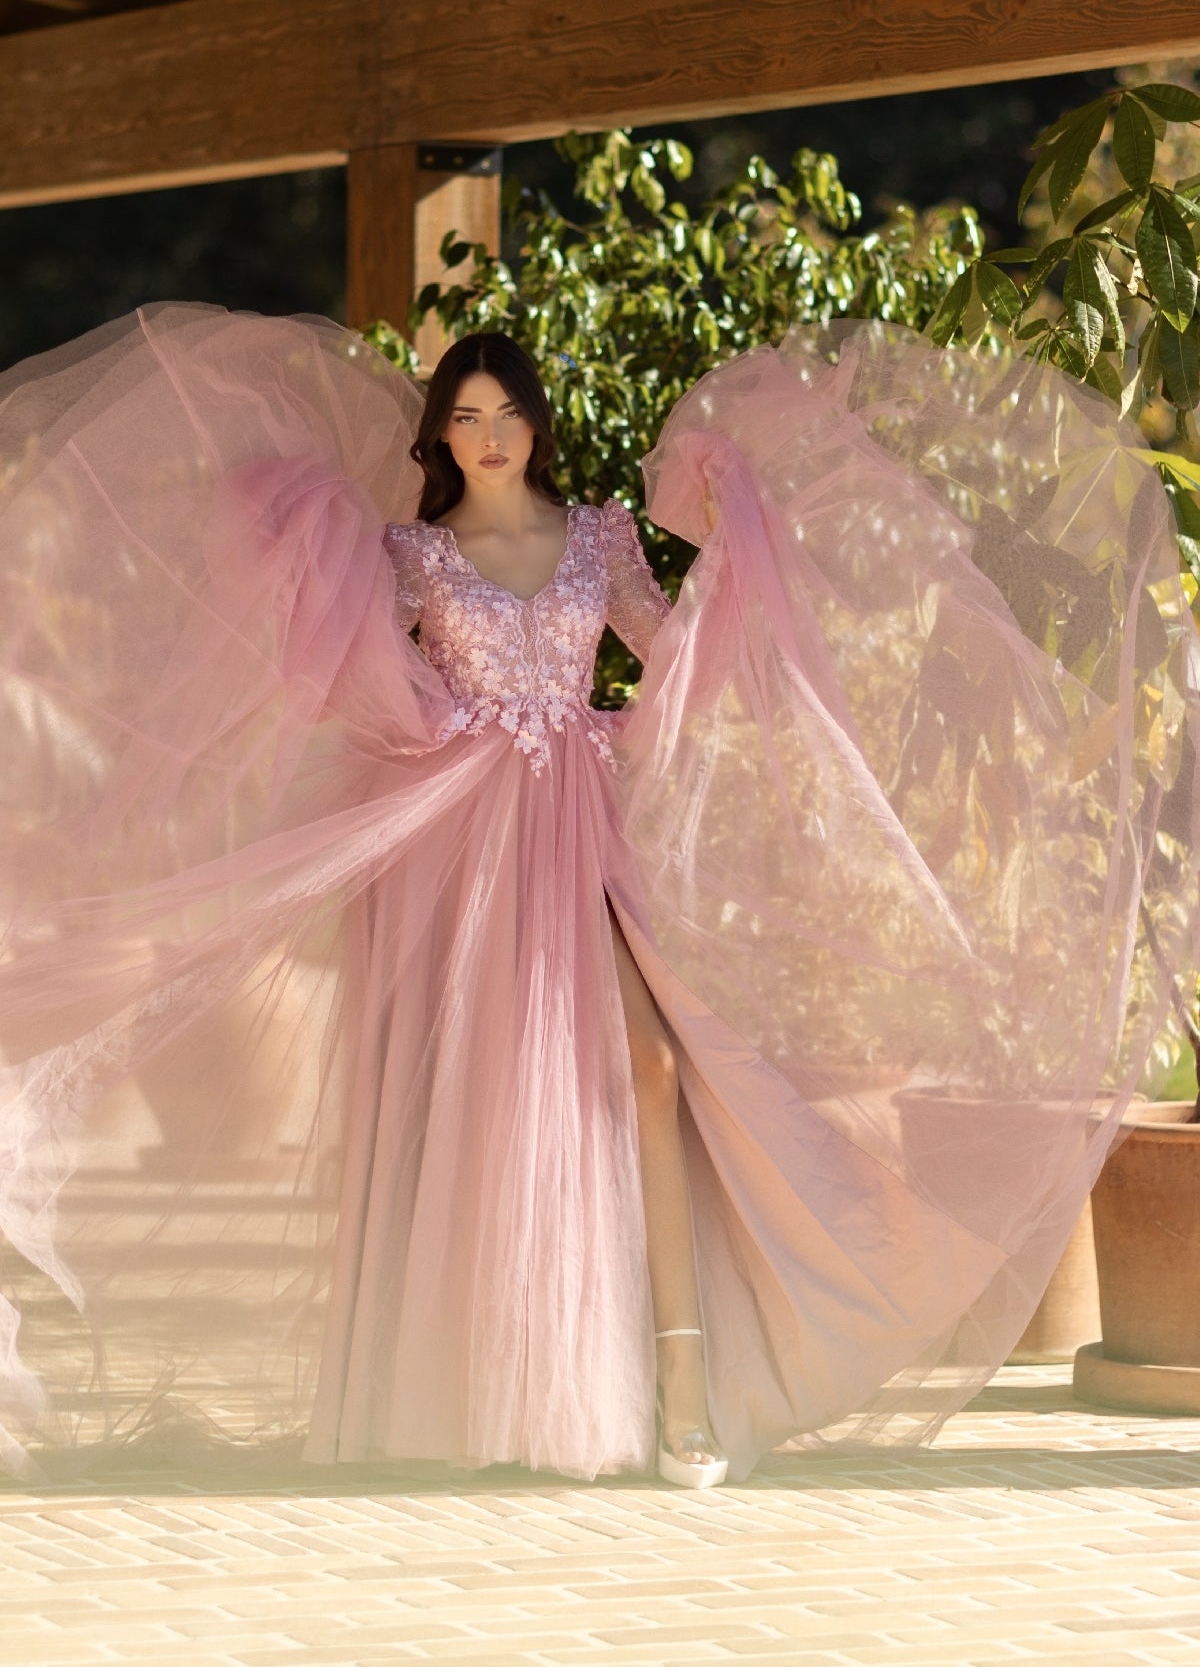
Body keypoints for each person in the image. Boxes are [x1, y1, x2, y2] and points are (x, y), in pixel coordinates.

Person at [0, 303, 1195, 1488]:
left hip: (580, 822)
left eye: (505, 409)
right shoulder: (412, 554)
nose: (488, 432)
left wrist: (739, 569)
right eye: (464, 416)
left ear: (535, 421)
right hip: (464, 846)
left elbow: (669, 650)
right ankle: (478, 1384)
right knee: (485, 1095)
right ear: (441, 436)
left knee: (651, 1070)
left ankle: (682, 1381)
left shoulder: (598, 538)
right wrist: (323, 586)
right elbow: (355, 675)